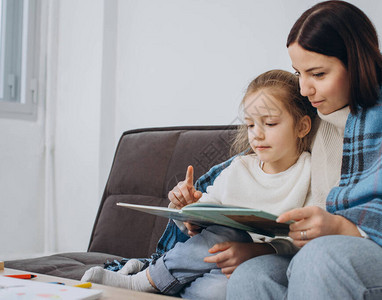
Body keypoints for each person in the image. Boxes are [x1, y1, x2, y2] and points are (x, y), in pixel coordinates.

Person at [224, 1, 382, 300]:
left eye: (317, 74)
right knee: (253, 275)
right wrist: (196, 201)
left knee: (320, 257)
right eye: (298, 73)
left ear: (357, 63)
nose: (304, 89)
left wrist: (342, 226)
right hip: (319, 251)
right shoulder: (313, 115)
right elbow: (257, 157)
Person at [81, 69, 319, 299]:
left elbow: (307, 239)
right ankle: (144, 281)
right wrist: (190, 209)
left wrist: (258, 250)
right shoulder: (239, 168)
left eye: (270, 123)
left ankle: (162, 282)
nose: (257, 134)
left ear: (302, 126)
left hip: (259, 265)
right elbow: (203, 221)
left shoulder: (311, 173)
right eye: (250, 125)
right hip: (215, 253)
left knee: (217, 292)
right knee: (227, 231)